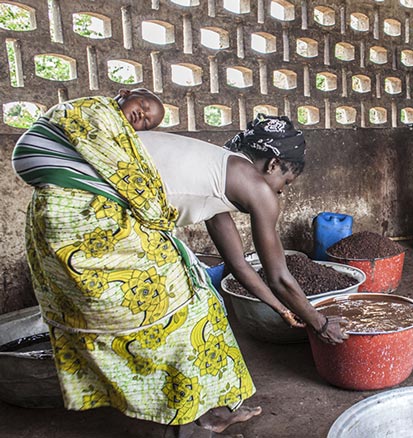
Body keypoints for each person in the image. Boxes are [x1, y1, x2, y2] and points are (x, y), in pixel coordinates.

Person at [11, 88, 265, 433]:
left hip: (109, 231)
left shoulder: (126, 152)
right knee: (174, 321)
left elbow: (146, 200)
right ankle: (183, 412)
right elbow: (147, 204)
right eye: (143, 107)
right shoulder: (93, 115)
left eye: (148, 121)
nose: (142, 118)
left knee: (202, 307)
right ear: (123, 93)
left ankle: (207, 409)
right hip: (81, 231)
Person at [137, 115, 348, 345]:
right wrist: (321, 324)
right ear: (273, 164)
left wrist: (281, 308)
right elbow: (278, 277)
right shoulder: (258, 189)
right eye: (285, 182)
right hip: (105, 198)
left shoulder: (221, 170)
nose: (280, 192)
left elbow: (238, 264)